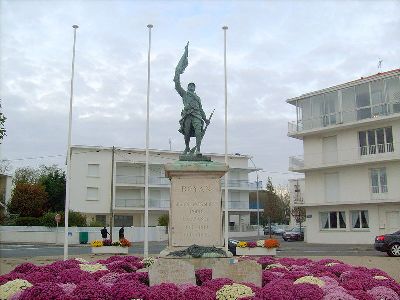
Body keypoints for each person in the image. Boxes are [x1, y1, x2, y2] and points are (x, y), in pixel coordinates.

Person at [174, 42, 210, 155]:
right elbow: (177, 85)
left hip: (197, 115)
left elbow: (201, 109)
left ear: (194, 88)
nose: (191, 87)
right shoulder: (184, 94)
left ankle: (198, 149)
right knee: (187, 133)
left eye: (192, 86)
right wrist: (177, 76)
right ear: (187, 87)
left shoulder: (197, 98)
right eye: (189, 86)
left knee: (198, 131)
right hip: (187, 114)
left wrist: (205, 119)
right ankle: (187, 147)